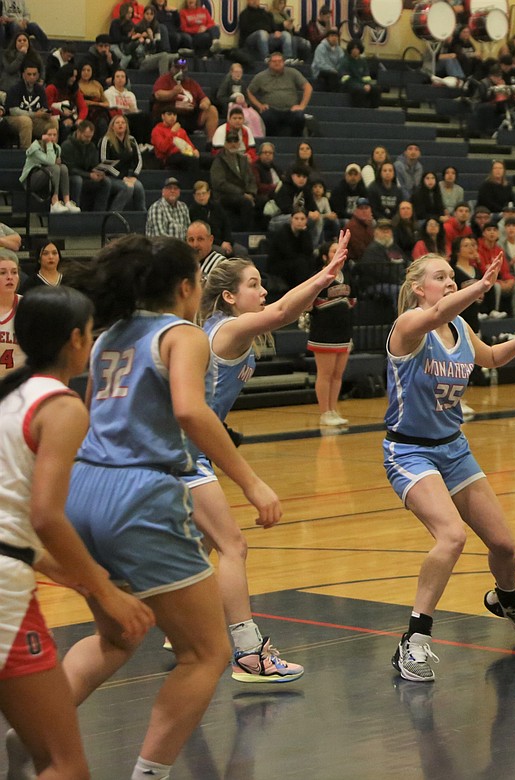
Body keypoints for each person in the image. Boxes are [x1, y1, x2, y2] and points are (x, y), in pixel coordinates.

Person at [61, 234, 281, 780]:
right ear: (186, 288)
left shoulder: (109, 333)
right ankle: (149, 775)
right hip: (139, 495)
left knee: (118, 636)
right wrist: (252, 482)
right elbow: (191, 410)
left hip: (84, 488)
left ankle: (32, 735)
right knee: (205, 654)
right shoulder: (183, 334)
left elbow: (88, 413)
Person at [0, 286, 154, 780]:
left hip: (11, 563)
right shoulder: (62, 406)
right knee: (63, 763)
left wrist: (54, 569)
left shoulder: (9, 397)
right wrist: (103, 589)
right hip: (4, 591)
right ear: (74, 340)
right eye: (90, 334)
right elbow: (46, 515)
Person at [384, 254, 515, 682]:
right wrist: (481, 286)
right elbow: (439, 311)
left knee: (505, 547)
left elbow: (490, 358)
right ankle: (414, 639)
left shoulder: (459, 326)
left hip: (454, 449)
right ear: (420, 289)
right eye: (441, 278)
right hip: (410, 452)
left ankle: (509, 599)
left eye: (453, 277)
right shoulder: (408, 326)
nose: (450, 283)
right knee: (452, 536)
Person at [186, 240, 345, 683]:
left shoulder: (223, 328)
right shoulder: (226, 331)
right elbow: (279, 314)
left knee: (202, 546)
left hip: (189, 451)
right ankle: (248, 652)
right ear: (230, 297)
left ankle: (183, 626)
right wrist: (325, 275)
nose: (262, 291)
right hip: (182, 454)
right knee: (232, 546)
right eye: (253, 285)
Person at [308, 239, 354, 426]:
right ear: (326, 256)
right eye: (335, 251)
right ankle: (324, 412)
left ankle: (333, 409)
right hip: (324, 332)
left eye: (341, 251)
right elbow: (310, 302)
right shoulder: (320, 276)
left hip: (344, 331)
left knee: (337, 374)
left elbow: (352, 299)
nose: (339, 254)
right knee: (325, 374)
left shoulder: (347, 274)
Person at [246, 51, 311, 137]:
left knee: (299, 116)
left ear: (284, 62)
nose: (277, 63)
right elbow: (249, 91)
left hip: (290, 110)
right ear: (269, 63)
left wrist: (302, 106)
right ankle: (271, 140)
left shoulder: (292, 73)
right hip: (272, 110)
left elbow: (308, 87)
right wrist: (259, 105)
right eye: (274, 61)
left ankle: (296, 141)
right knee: (267, 117)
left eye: (280, 61)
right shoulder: (261, 76)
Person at [21, 122, 78, 214]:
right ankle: (54, 202)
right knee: (54, 167)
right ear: (43, 135)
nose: (52, 137)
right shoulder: (35, 147)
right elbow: (51, 161)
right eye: (49, 135)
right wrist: (49, 144)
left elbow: (55, 162)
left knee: (63, 168)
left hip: (46, 177)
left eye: (54, 135)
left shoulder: (57, 148)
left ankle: (67, 201)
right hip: (30, 179)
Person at [98, 113, 147, 211]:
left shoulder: (132, 140)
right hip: (109, 177)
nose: (120, 125)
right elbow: (104, 163)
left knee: (138, 186)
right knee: (128, 188)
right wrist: (122, 177)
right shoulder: (106, 140)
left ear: (126, 126)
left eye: (123, 123)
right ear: (112, 126)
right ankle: (114, 214)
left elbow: (139, 161)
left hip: (126, 176)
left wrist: (134, 176)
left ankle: (142, 215)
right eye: (117, 123)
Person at [61, 119, 112, 212]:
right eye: (86, 136)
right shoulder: (67, 146)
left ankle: (99, 213)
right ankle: (75, 211)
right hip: (70, 177)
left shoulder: (91, 146)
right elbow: (70, 169)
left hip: (86, 177)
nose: (88, 139)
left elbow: (94, 164)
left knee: (106, 182)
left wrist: (99, 172)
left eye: (90, 137)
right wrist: (89, 175)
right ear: (78, 132)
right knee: (77, 180)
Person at [0, 256, 23, 377]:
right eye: (2, 273)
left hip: (18, 384)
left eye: (14, 272)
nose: (10, 277)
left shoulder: (27, 307)